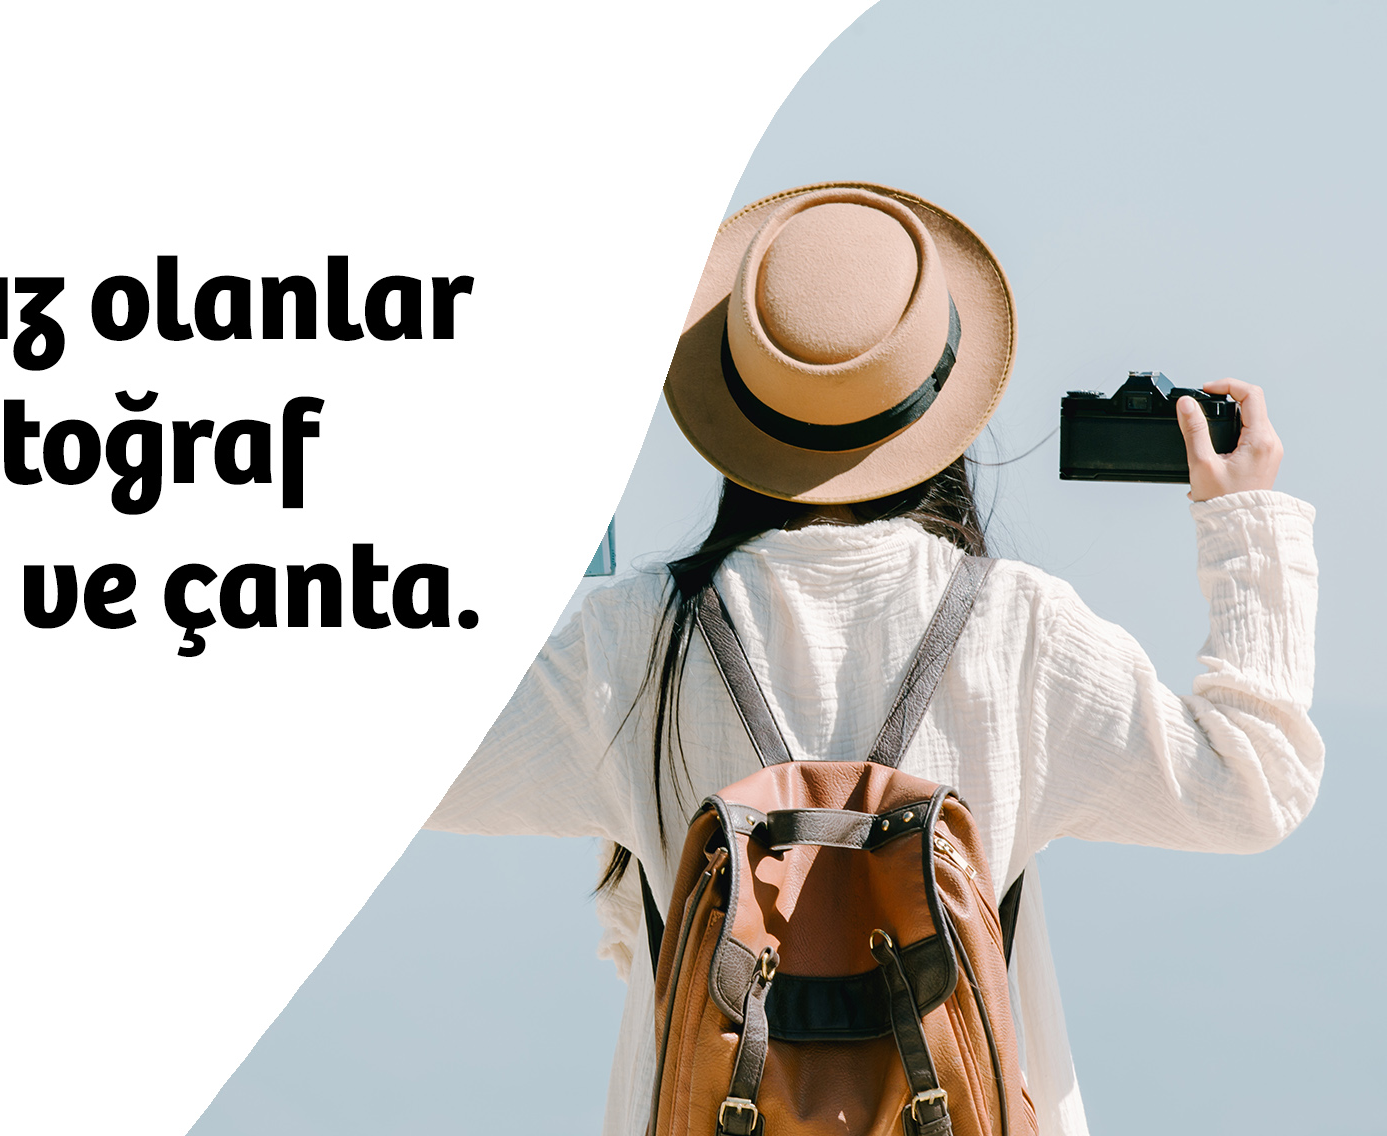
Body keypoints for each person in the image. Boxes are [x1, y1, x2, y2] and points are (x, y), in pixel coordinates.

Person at [426, 183, 1319, 1136]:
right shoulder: (1016, 630)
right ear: (939, 397)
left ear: (739, 401)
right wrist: (1245, 526)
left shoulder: (637, 638)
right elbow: (1250, 787)